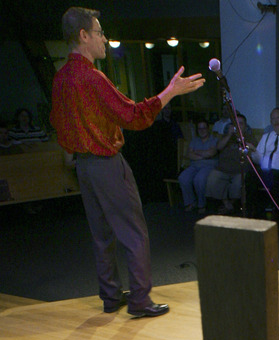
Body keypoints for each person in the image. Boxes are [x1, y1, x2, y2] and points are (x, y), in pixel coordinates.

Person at [50, 7, 204, 318]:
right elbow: (133, 116)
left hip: (84, 167)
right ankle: (139, 301)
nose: (104, 39)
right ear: (83, 36)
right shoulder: (91, 78)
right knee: (134, 233)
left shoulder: (61, 78)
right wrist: (170, 92)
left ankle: (110, 296)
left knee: (101, 234)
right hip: (107, 165)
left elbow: (59, 125)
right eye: (99, 33)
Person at [205, 112, 252, 214]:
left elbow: (254, 151)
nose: (239, 126)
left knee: (238, 184)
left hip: (239, 171)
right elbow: (218, 147)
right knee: (212, 179)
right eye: (236, 123)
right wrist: (229, 135)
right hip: (223, 169)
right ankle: (227, 204)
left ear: (245, 126)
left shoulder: (249, 137)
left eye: (241, 123)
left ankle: (230, 204)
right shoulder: (226, 136)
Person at [177, 118, 218, 212]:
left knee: (199, 179)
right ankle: (190, 202)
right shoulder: (194, 140)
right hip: (194, 165)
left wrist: (196, 152)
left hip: (209, 166)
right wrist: (204, 155)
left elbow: (211, 153)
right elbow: (189, 154)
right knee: (183, 177)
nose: (202, 130)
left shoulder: (214, 140)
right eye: (199, 128)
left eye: (204, 128)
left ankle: (201, 204)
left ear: (208, 129)